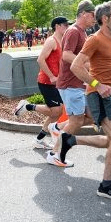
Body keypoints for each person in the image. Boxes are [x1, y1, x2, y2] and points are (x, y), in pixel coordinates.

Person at [60, 1, 111, 201]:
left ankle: (71, 140)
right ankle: (106, 186)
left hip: (110, 93)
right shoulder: (94, 39)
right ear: (105, 19)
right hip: (98, 94)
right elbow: (75, 65)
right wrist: (98, 85)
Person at [14, 17, 69, 155]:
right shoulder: (51, 41)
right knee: (56, 111)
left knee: (56, 113)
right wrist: (51, 76)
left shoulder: (63, 41)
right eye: (65, 24)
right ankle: (28, 106)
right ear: (57, 26)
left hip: (57, 82)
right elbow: (40, 60)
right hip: (47, 81)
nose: (67, 26)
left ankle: (39, 140)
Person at [56, 0, 98, 143]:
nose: (95, 18)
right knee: (76, 121)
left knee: (92, 116)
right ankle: (56, 150)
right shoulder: (73, 31)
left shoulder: (83, 32)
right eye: (93, 15)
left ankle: (57, 128)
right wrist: (85, 65)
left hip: (80, 84)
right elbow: (66, 55)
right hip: (70, 84)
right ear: (84, 14)